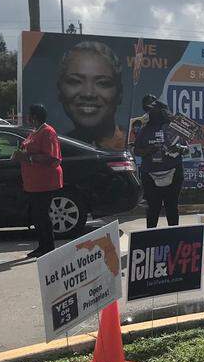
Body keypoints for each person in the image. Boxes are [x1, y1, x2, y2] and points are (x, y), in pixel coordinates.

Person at [13, 103, 63, 258]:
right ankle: (42, 246)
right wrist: (19, 153)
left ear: (34, 117)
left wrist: (27, 157)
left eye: (29, 115)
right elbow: (26, 149)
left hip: (45, 182)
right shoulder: (35, 132)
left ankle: (48, 248)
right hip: (33, 184)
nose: (27, 117)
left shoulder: (48, 132)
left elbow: (51, 158)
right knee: (36, 215)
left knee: (42, 215)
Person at [55, 40, 125, 149]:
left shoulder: (129, 144)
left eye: (102, 83)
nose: (88, 93)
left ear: (119, 93)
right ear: (60, 90)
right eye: (75, 81)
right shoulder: (56, 149)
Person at [133, 94, 185, 228]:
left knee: (172, 207)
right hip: (150, 174)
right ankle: (151, 237)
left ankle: (174, 237)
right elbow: (137, 151)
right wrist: (148, 150)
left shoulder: (174, 126)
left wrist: (177, 147)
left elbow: (187, 149)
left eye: (154, 106)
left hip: (173, 171)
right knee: (153, 208)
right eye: (148, 109)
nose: (152, 111)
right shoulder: (143, 130)